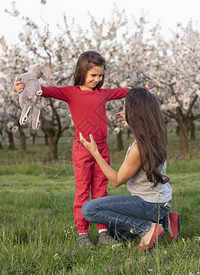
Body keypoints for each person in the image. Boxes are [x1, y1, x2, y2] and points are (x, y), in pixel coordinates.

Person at [14, 51, 130, 246]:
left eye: (100, 75)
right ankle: (83, 233)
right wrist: (23, 86)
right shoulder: (71, 93)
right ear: (82, 72)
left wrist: (142, 90)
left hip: (101, 149)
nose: (97, 79)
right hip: (82, 149)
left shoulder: (103, 94)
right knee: (82, 190)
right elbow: (43, 91)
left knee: (101, 190)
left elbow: (126, 91)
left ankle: (103, 232)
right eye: (93, 75)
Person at [80, 87, 181, 250]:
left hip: (148, 204)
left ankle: (147, 229)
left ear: (135, 112)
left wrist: (95, 153)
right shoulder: (157, 134)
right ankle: (167, 221)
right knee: (116, 232)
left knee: (89, 209)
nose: (122, 110)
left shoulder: (138, 149)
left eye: (125, 107)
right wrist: (129, 118)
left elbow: (116, 180)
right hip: (162, 201)